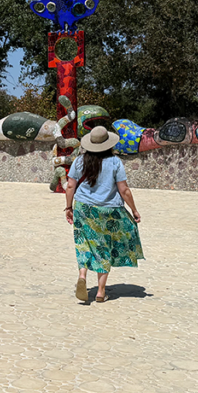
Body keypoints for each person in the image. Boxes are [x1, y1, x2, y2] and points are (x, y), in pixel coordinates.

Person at [64, 125, 144, 303]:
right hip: (108, 211)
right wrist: (134, 210)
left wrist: (68, 208)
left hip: (83, 208)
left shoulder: (79, 161)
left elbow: (70, 186)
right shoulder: (115, 162)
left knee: (83, 242)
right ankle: (100, 292)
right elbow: (124, 190)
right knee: (104, 247)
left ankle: (83, 275)